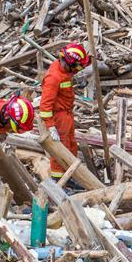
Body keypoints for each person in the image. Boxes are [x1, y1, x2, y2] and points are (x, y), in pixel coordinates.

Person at [39, 43, 91, 180]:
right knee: (60, 151)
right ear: (68, 63)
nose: (75, 71)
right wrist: (51, 126)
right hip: (58, 118)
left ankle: (70, 175)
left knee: (71, 146)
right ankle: (59, 181)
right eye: (75, 68)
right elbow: (44, 106)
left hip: (67, 114)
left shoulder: (64, 69)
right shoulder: (53, 78)